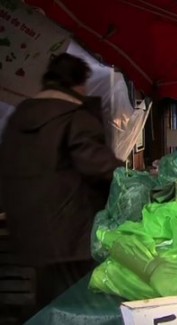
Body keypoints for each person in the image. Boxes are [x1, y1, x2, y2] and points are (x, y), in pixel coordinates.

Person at [0, 53, 123, 318]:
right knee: (79, 309)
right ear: (78, 84)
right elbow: (99, 167)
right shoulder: (74, 117)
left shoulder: (20, 116)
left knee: (45, 306)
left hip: (27, 235)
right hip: (71, 236)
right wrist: (132, 178)